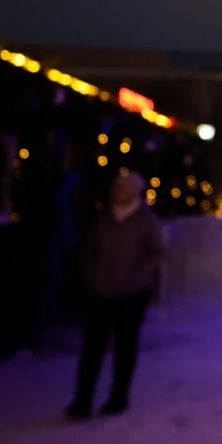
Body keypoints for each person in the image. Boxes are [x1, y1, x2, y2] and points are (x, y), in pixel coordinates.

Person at [66, 171, 164, 419]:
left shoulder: (145, 220)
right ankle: (83, 400)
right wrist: (91, 274)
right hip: (100, 292)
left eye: (120, 189)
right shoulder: (104, 218)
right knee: (93, 347)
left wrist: (138, 277)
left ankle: (118, 397)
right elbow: (91, 248)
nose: (115, 192)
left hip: (131, 294)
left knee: (125, 346)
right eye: (115, 188)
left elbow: (156, 252)